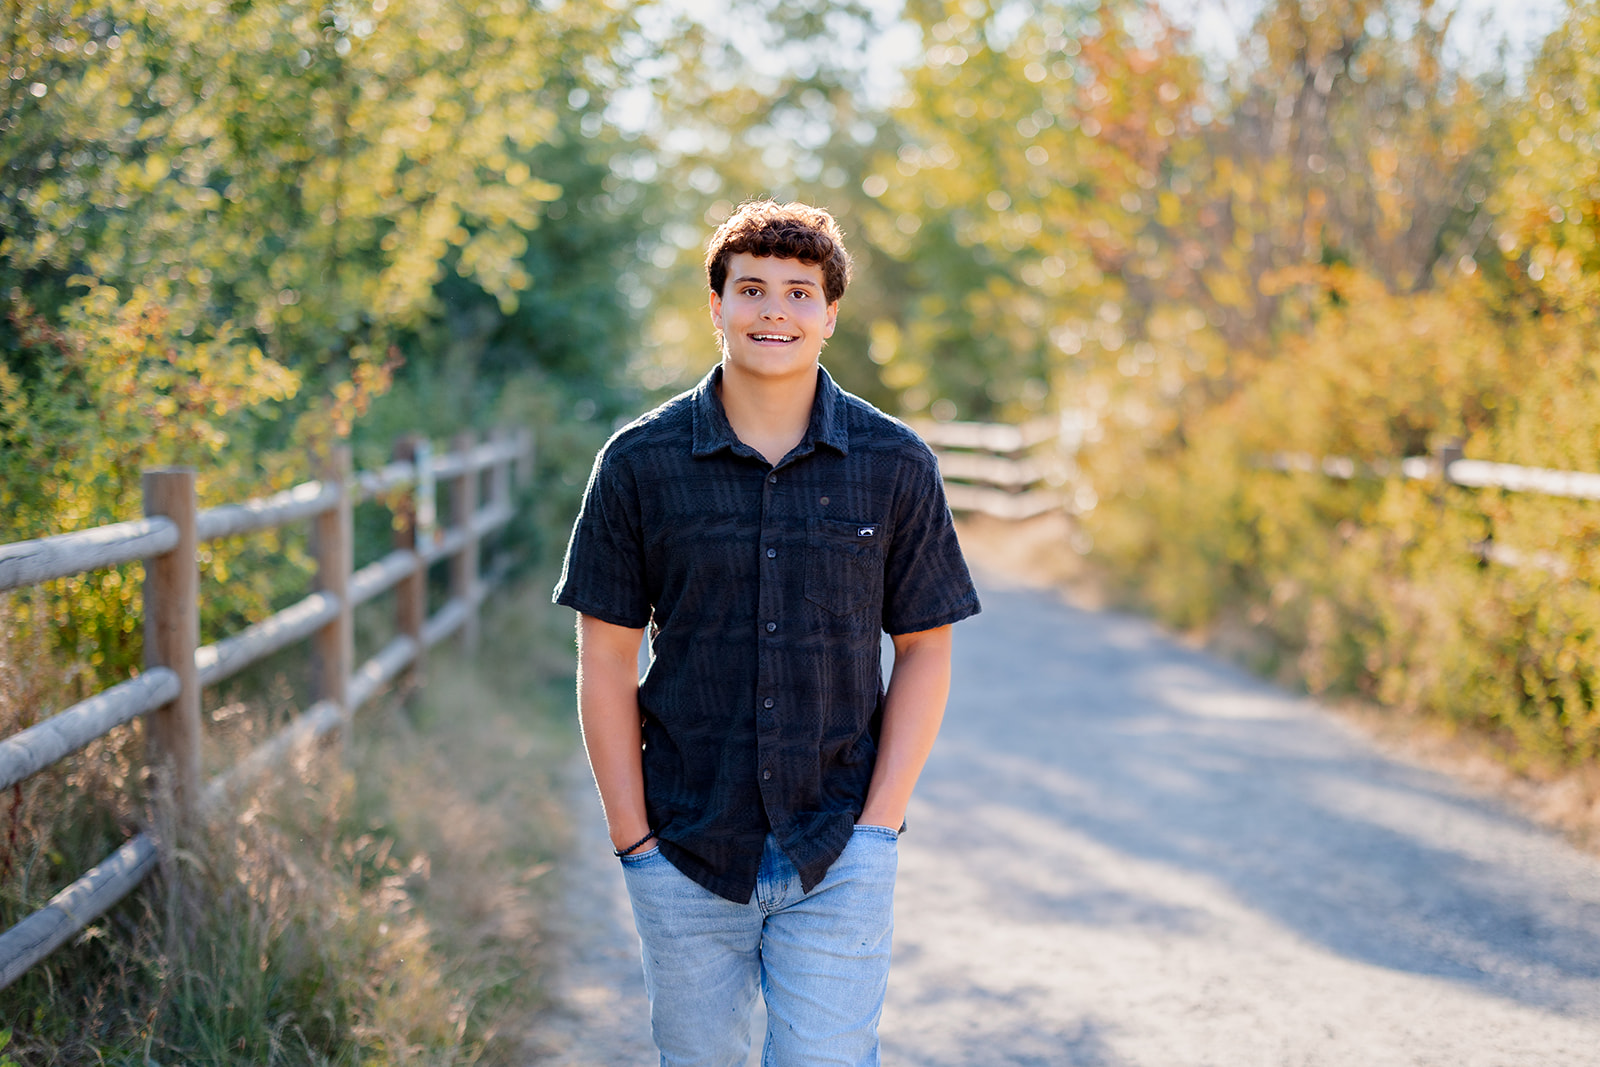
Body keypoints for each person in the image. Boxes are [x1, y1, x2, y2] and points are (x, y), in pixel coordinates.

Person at [553, 199, 980, 1067]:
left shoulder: (895, 464)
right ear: (716, 305)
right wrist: (633, 840)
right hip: (684, 844)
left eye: (798, 292)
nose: (774, 311)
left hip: (839, 848)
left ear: (829, 315)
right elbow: (604, 656)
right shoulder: (639, 463)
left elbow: (927, 648)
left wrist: (878, 829)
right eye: (751, 289)